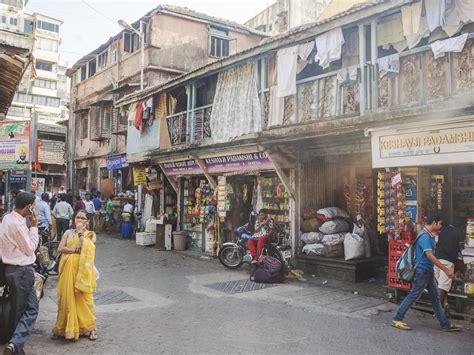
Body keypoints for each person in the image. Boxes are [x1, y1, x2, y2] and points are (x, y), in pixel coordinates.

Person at [391, 212, 462, 332]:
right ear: (434, 223)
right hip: (422, 272)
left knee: (435, 298)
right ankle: (397, 318)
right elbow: (430, 256)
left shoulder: (429, 235)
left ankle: (445, 324)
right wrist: (446, 269)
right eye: (440, 224)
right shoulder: (424, 236)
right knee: (414, 295)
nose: (440, 226)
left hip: (427, 272)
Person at [0, 192, 39, 355]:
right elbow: (30, 247)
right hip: (21, 270)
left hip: (14, 269)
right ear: (28, 207)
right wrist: (34, 226)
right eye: (33, 205)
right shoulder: (16, 224)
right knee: (22, 309)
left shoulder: (7, 218)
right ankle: (15, 346)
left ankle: (15, 344)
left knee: (31, 307)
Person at [52, 210, 98, 341]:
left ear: (87, 221)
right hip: (67, 268)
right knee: (66, 297)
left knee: (84, 298)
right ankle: (64, 328)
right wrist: (74, 250)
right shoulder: (67, 233)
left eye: (83, 218)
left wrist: (80, 233)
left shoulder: (90, 235)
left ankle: (91, 328)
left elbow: (88, 248)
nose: (79, 220)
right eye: (77, 217)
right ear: (73, 219)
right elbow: (60, 248)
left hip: (82, 271)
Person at [434, 224, 463, 316]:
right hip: (448, 261)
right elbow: (460, 247)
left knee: (440, 284)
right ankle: (437, 311)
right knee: (443, 286)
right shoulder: (458, 231)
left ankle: (445, 304)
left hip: (437, 259)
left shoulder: (442, 231)